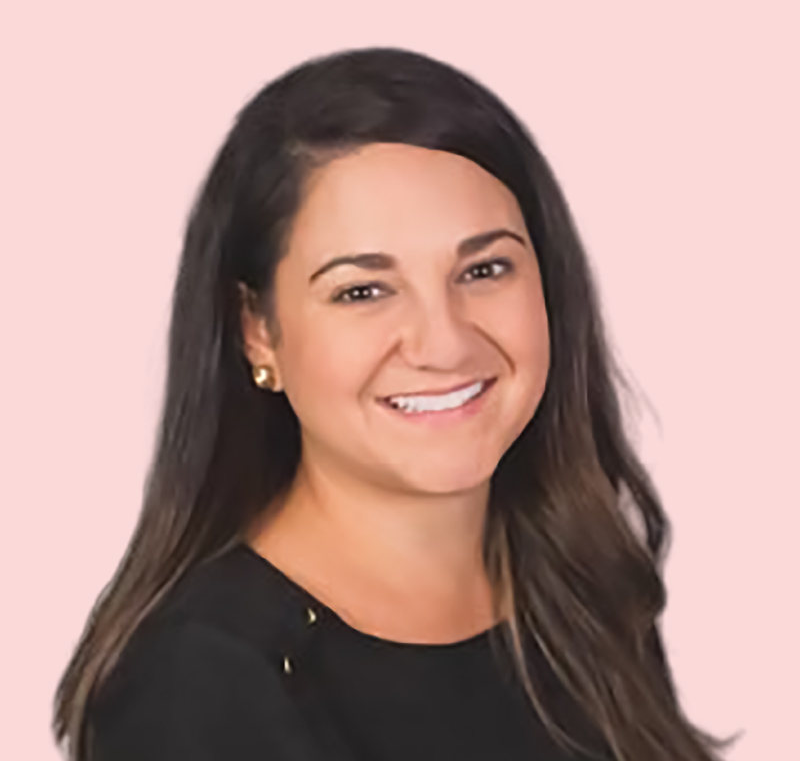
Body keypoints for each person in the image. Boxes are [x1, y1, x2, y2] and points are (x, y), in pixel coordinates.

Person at [53, 47, 733, 761]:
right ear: (258, 331)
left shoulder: (579, 584)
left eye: (484, 269)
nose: (443, 343)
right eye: (362, 290)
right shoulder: (197, 684)